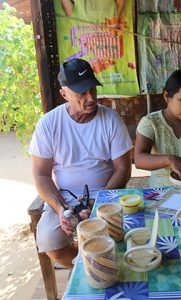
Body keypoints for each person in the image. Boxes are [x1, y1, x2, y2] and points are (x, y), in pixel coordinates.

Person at [29, 58, 133, 267]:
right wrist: (60, 209)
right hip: (64, 197)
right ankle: (86, 261)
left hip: (106, 195)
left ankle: (96, 261)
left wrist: (100, 202)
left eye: (92, 90)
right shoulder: (49, 124)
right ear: (64, 94)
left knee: (119, 237)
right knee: (49, 240)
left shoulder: (110, 120)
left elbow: (123, 168)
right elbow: (41, 174)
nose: (91, 98)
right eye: (81, 93)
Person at [134, 69, 181, 187]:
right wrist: (169, 160)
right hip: (160, 191)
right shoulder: (150, 123)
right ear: (166, 96)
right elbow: (139, 160)